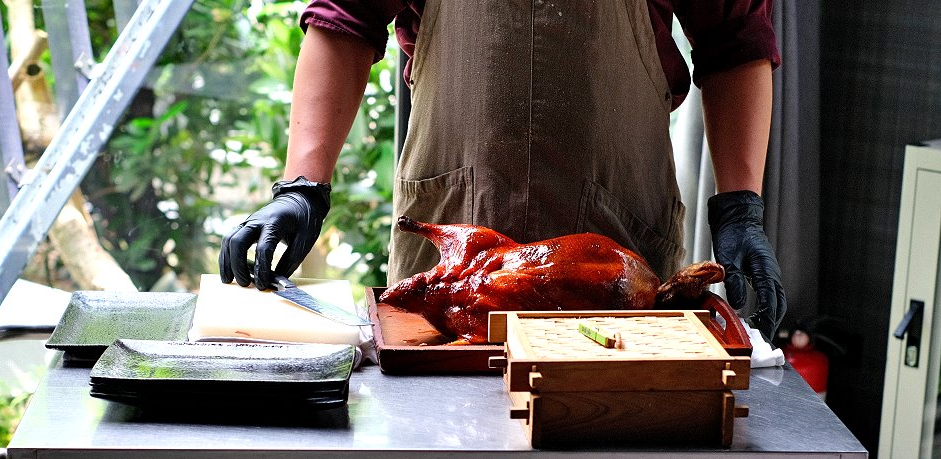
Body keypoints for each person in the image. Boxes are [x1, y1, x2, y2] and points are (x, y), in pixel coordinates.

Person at [219, 0, 787, 341]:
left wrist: (741, 206)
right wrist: (302, 185)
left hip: (617, 242)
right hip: (455, 236)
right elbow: (346, 18)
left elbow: (734, 38)